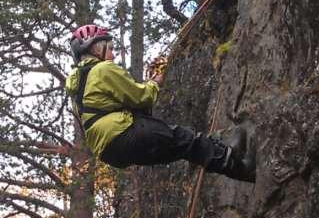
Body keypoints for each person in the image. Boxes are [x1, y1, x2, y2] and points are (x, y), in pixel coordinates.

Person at [65, 24, 256, 182]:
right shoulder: (103, 70)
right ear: (96, 48)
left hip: (111, 153)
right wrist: (155, 83)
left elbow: (112, 109)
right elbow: (142, 97)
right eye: (110, 47)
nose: (113, 54)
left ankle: (227, 150)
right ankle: (244, 167)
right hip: (125, 134)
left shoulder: (77, 90)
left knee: (182, 147)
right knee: (185, 139)